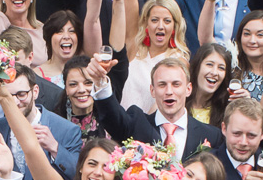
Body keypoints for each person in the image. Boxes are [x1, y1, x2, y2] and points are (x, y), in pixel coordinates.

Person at [93, 54, 223, 159]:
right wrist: (100, 82)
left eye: (176, 84)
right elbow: (112, 118)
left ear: (188, 89)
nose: (169, 91)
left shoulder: (211, 135)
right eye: (162, 85)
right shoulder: (137, 123)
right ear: (152, 90)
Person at [186, 42, 235, 126]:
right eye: (209, 64)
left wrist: (244, 104)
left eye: (221, 68)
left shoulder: (228, 110)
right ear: (197, 66)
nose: (214, 72)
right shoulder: (178, 100)